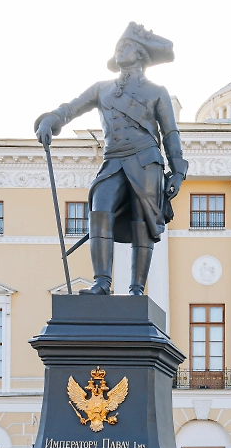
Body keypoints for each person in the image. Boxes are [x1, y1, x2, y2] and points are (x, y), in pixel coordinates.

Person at [35, 22, 188, 296]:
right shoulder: (102, 88)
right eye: (118, 46)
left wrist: (177, 172)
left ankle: (136, 289)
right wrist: (50, 119)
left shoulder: (157, 92)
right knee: (100, 209)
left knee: (143, 223)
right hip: (113, 160)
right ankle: (102, 282)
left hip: (146, 161)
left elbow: (170, 133)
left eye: (126, 46)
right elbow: (71, 108)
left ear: (141, 54)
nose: (120, 50)